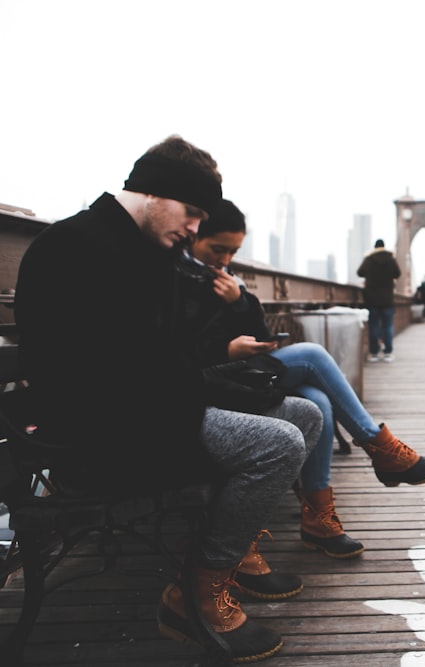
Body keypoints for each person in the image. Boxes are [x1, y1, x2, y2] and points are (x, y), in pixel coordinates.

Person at [14, 135, 321, 661]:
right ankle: (195, 595)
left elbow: (162, 357)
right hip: (102, 428)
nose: (197, 227)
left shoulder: (140, 249)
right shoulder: (78, 246)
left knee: (306, 415)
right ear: (155, 193)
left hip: (149, 405)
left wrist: (223, 379)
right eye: (193, 211)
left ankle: (231, 554)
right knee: (279, 444)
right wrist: (212, 385)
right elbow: (113, 372)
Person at [180, 201, 425, 561]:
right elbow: (179, 351)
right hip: (216, 378)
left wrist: (240, 302)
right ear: (194, 236)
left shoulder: (227, 281)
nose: (225, 259)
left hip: (246, 371)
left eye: (233, 251)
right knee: (312, 356)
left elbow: (262, 335)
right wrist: (227, 348)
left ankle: (319, 520)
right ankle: (380, 448)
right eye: (218, 249)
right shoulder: (177, 279)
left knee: (317, 404)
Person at [357, 239, 401, 362]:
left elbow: (359, 272)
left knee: (373, 327)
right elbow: (397, 273)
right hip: (387, 299)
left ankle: (374, 353)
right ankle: (388, 353)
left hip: (371, 299)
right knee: (388, 326)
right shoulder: (391, 259)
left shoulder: (369, 259)